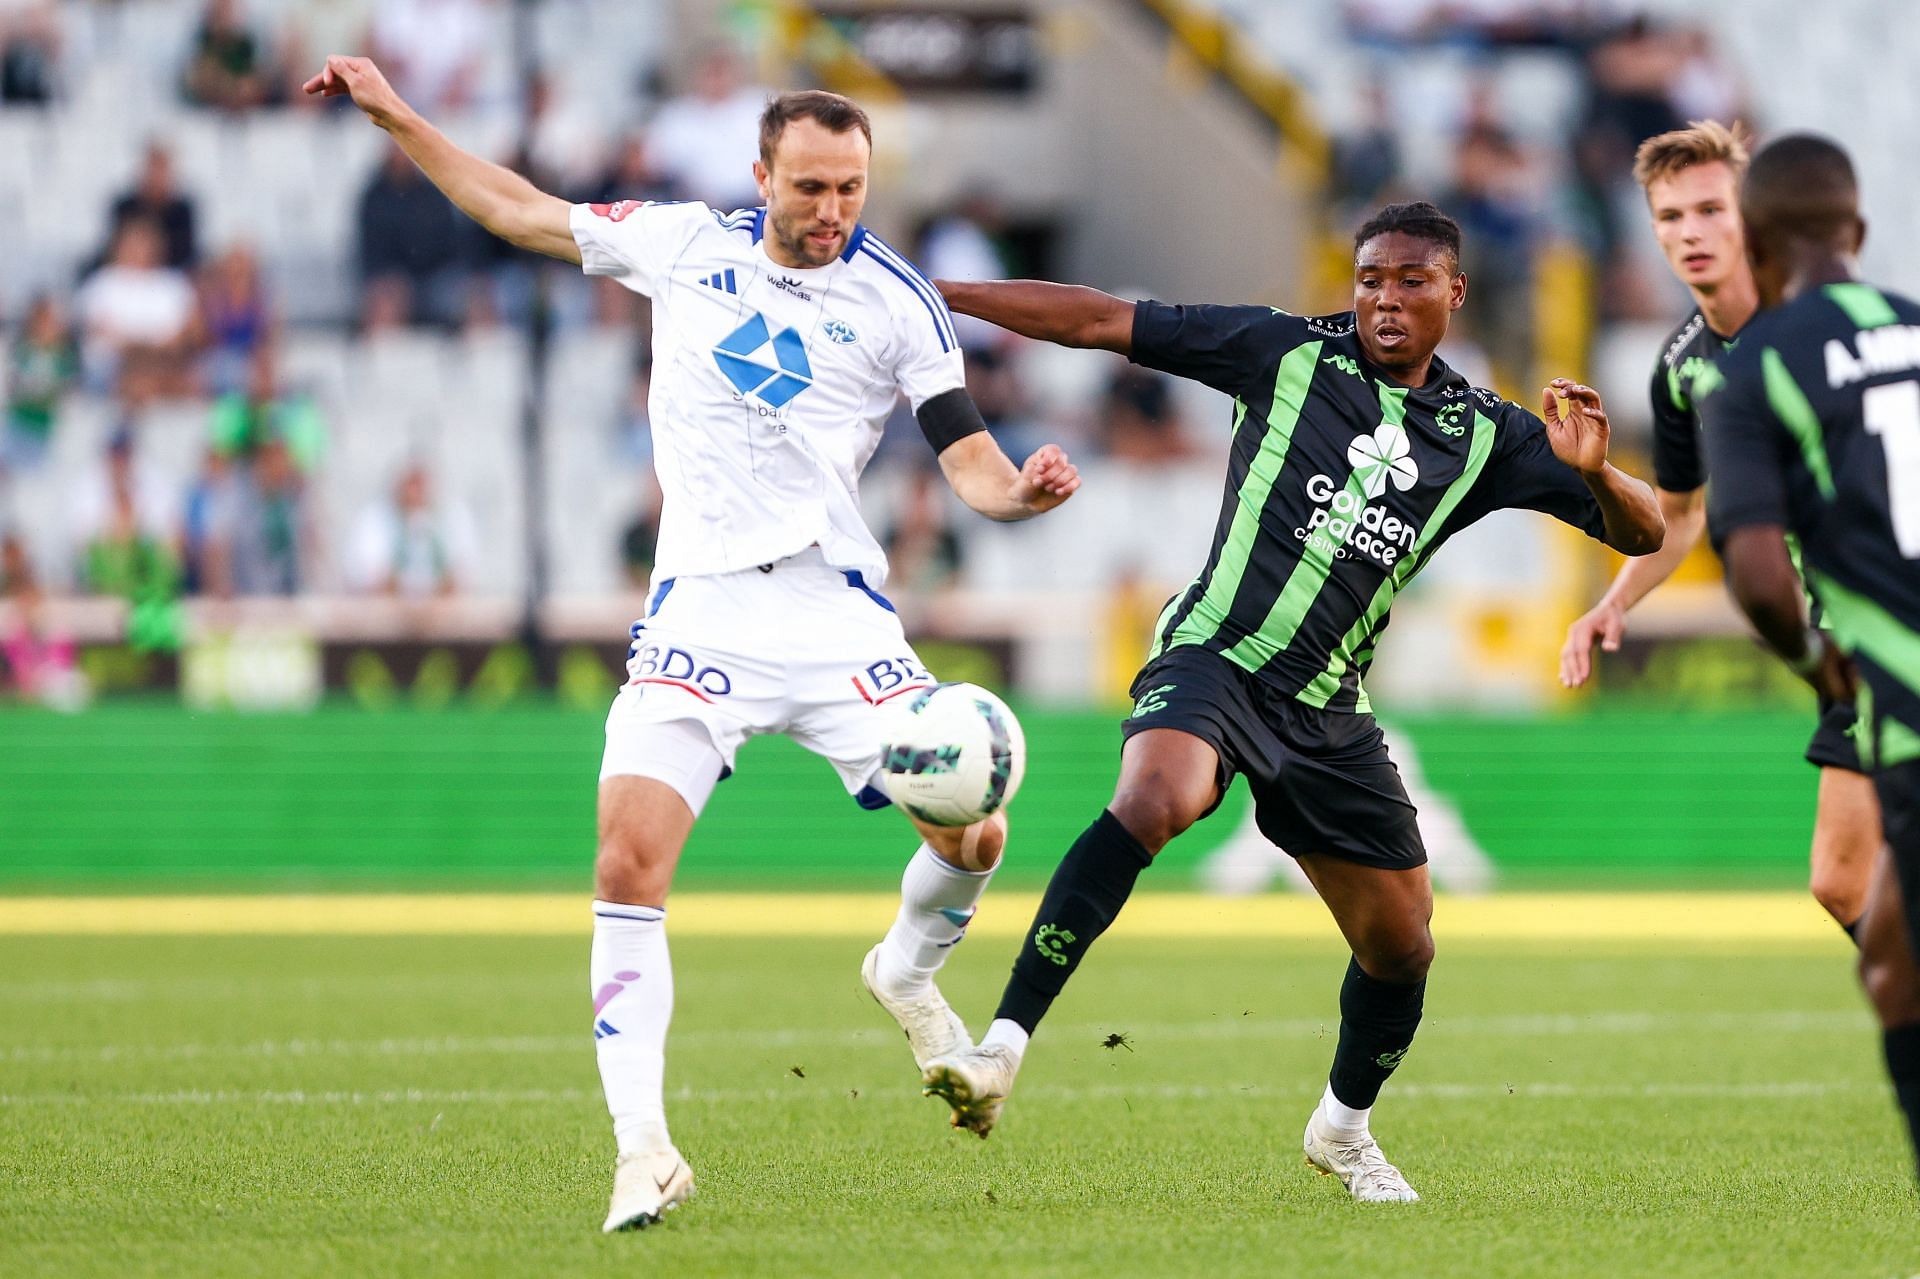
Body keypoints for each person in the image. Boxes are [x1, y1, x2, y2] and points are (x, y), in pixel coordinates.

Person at [305, 54, 1080, 1232]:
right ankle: (644, 1151)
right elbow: (518, 209)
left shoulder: (900, 302)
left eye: (852, 190)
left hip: (834, 613)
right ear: (759, 172)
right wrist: (396, 114)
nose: (832, 212)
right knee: (627, 860)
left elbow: (965, 457)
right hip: (704, 607)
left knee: (977, 828)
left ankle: (905, 972)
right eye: (810, 187)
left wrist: (1019, 493)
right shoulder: (680, 243)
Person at [921, 201, 1664, 1202]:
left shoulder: (1488, 434)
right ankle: (1000, 1046)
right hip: (1216, 654)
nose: (1386, 299)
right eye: (1369, 279)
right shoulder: (1280, 351)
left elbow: (1645, 532)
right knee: (1155, 799)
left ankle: (1343, 1130)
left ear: (1455, 291)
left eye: (1410, 280)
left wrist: (1598, 477)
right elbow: (1102, 319)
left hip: (1325, 709)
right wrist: (933, 294)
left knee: (1402, 944)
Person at [1560, 121, 1878, 940]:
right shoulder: (1681, 368)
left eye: (1710, 209)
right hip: (1848, 635)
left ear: (1754, 216)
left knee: (1850, 879)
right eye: (1670, 217)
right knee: (1846, 885)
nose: (1691, 233)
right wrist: (1616, 602)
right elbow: (1683, 512)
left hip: (1886, 618)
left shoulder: (1833, 323)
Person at [1698, 133, 1920, 1180]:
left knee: (1898, 972)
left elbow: (1751, 568)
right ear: (1859, 233)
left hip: (1905, 703)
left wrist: (1815, 659)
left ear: (1751, 238)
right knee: (1886, 950)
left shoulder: (1758, 368)